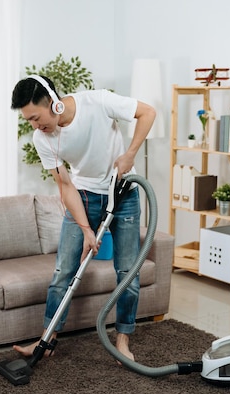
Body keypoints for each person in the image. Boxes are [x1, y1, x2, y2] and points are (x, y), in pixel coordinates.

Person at [10, 74, 156, 361]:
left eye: (37, 117)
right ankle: (47, 339)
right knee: (63, 271)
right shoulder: (43, 139)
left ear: (54, 103)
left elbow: (147, 112)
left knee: (128, 272)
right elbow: (65, 185)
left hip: (123, 193)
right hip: (84, 197)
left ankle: (123, 340)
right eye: (29, 121)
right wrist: (86, 228)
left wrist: (129, 154)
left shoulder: (98, 101)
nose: (36, 126)